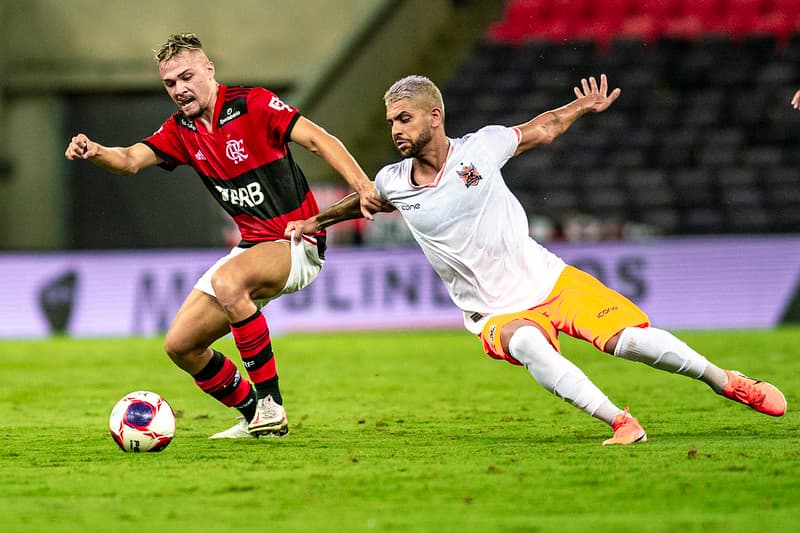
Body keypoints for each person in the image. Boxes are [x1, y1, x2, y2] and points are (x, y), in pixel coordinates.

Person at [285, 74, 787, 445]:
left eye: (405, 118)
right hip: (494, 311)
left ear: (434, 117)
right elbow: (364, 200)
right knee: (528, 343)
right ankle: (620, 422)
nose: (395, 128)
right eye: (391, 120)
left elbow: (540, 129)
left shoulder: (480, 148)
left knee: (629, 340)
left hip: (550, 279)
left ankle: (729, 382)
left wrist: (579, 110)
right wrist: (314, 222)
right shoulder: (394, 180)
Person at [65, 33, 383, 439]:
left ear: (209, 70)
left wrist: (363, 186)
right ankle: (254, 415)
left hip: (296, 241)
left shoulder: (253, 104)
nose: (179, 90)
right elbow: (129, 160)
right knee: (181, 345)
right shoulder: (181, 130)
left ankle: (271, 403)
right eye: (170, 83)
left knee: (228, 280)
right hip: (252, 246)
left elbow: (320, 140)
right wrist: (95, 150)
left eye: (186, 77)